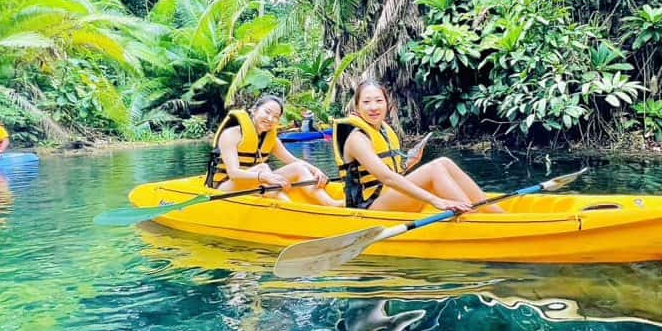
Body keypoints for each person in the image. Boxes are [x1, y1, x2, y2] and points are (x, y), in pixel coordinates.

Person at [332, 80, 504, 214]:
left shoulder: (382, 129)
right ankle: (474, 219)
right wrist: (436, 200)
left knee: (444, 162)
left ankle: (497, 215)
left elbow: (391, 173)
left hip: (385, 197)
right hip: (367, 208)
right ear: (357, 107)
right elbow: (386, 178)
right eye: (366, 102)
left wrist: (409, 164)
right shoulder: (356, 137)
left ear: (387, 104)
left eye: (378, 101)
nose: (374, 107)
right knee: (434, 169)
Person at [205, 95, 340, 207]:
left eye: (276, 117)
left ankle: (331, 204)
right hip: (224, 188)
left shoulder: (271, 140)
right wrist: (265, 177)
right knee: (263, 168)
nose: (270, 119)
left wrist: (316, 171)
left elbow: (294, 161)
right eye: (267, 112)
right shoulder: (231, 134)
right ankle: (289, 208)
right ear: (254, 110)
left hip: (257, 182)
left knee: (298, 168)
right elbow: (234, 173)